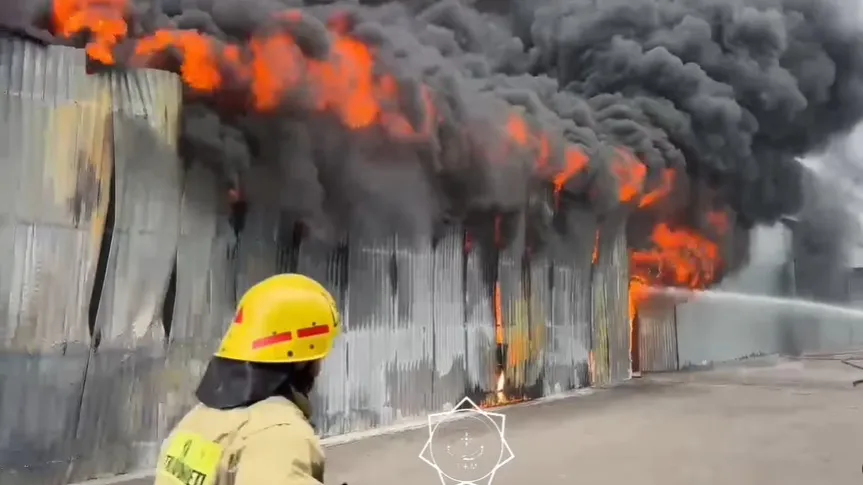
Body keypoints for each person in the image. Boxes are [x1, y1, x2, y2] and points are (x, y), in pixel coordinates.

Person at [154, 273, 341, 485]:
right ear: (301, 361)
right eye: (317, 357)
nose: (319, 369)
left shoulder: (194, 422)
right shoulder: (278, 434)